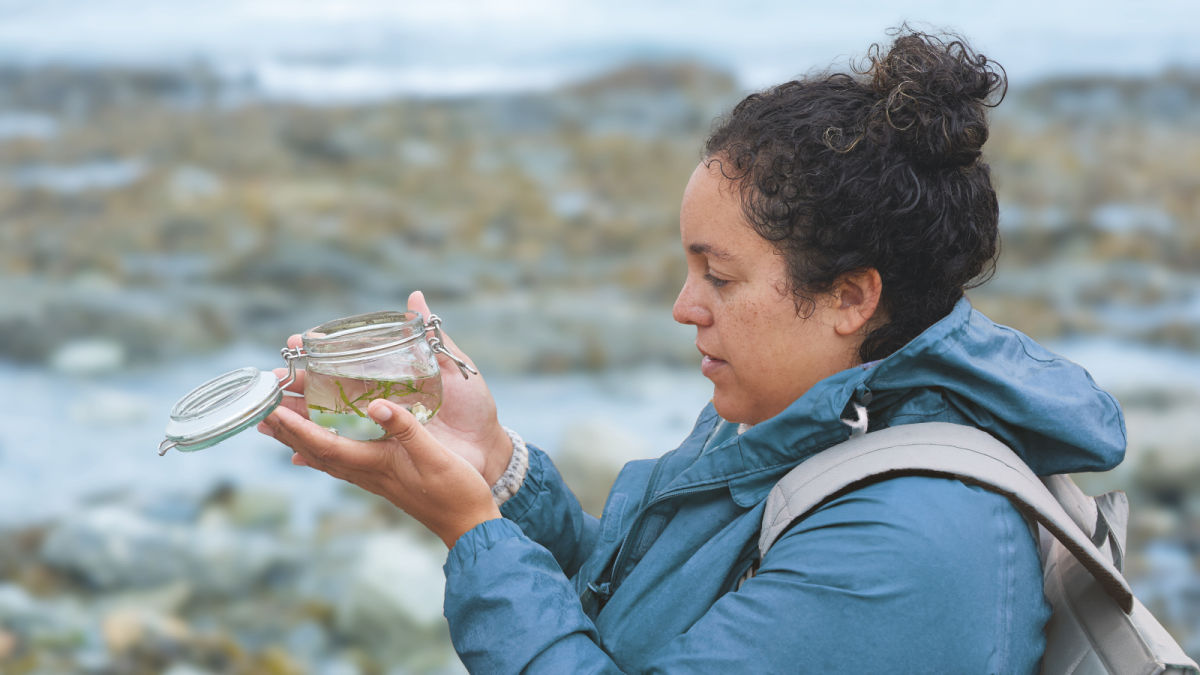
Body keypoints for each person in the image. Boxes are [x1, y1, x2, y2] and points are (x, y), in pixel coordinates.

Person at [257, 29, 1125, 673]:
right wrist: (497, 471)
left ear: (852, 296)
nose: (684, 308)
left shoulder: (911, 539)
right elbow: (644, 614)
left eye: (719, 276)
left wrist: (471, 532)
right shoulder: (807, 416)